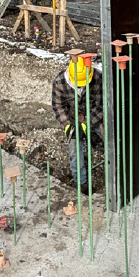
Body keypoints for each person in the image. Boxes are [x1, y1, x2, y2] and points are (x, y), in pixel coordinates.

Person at [51, 55, 104, 189]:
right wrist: (68, 125)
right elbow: (58, 106)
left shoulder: (98, 78)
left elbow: (101, 105)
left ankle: (118, 170)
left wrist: (88, 122)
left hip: (94, 115)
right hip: (72, 118)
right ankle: (81, 182)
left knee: (111, 138)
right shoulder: (60, 82)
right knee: (75, 150)